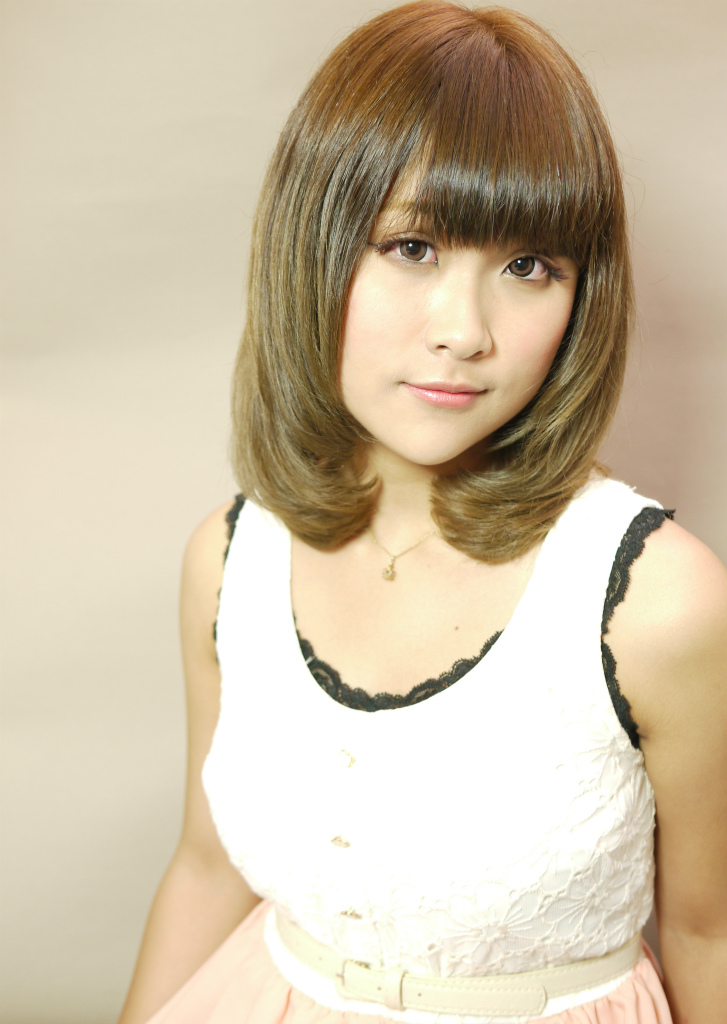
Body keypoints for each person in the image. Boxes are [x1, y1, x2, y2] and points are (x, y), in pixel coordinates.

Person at [116, 3, 727, 1023]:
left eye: (529, 267)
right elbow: (206, 866)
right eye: (411, 247)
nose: (464, 331)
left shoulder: (657, 603)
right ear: (312, 243)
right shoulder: (226, 560)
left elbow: (709, 930)